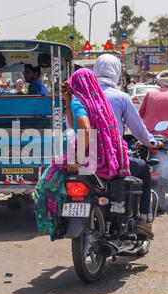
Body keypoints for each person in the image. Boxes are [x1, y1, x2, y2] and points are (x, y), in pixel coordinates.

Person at [34, 68, 131, 241]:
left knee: (44, 186)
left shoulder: (80, 103)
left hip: (88, 158)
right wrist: (68, 100)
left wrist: (77, 160)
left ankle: (55, 226)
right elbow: (73, 125)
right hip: (109, 160)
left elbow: (85, 129)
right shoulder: (100, 102)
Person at [94, 54, 163, 239]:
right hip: (111, 159)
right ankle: (143, 219)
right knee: (143, 169)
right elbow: (138, 129)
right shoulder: (121, 97)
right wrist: (153, 143)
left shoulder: (82, 97)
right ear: (116, 73)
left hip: (84, 160)